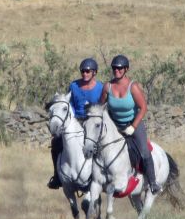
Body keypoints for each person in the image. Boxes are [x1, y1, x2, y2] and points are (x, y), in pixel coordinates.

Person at [100, 54, 161, 195]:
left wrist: (133, 126)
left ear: (126, 69)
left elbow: (143, 107)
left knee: (144, 151)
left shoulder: (133, 87)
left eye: (120, 68)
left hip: (133, 124)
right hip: (114, 125)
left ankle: (153, 183)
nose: (117, 70)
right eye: (115, 68)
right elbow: (100, 105)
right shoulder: (107, 87)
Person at [47, 58, 103, 189]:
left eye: (88, 71)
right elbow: (69, 106)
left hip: (92, 122)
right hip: (76, 121)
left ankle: (102, 175)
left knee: (99, 145)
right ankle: (57, 176)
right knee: (55, 142)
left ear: (94, 72)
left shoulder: (100, 87)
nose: (85, 73)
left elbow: (102, 106)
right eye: (83, 71)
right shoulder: (73, 86)